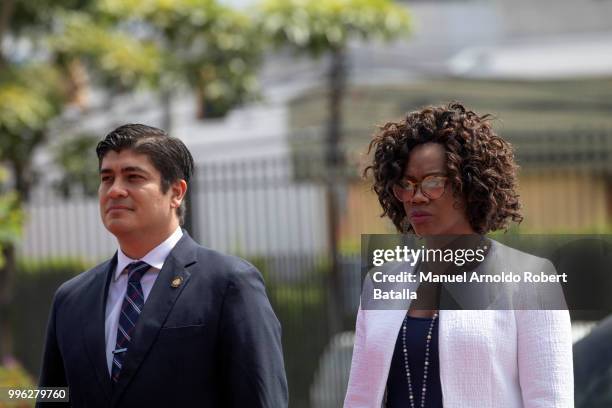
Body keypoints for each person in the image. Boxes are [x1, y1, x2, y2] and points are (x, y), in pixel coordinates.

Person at [38, 124, 288, 407]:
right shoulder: (71, 299)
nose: (116, 190)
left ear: (176, 192)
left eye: (133, 177)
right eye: (107, 178)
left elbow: (260, 398)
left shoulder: (228, 284)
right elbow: (53, 396)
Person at [344, 103, 573, 407]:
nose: (416, 197)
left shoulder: (531, 279)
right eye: (405, 184)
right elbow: (359, 397)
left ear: (469, 184)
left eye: (433, 182)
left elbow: (550, 400)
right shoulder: (381, 283)